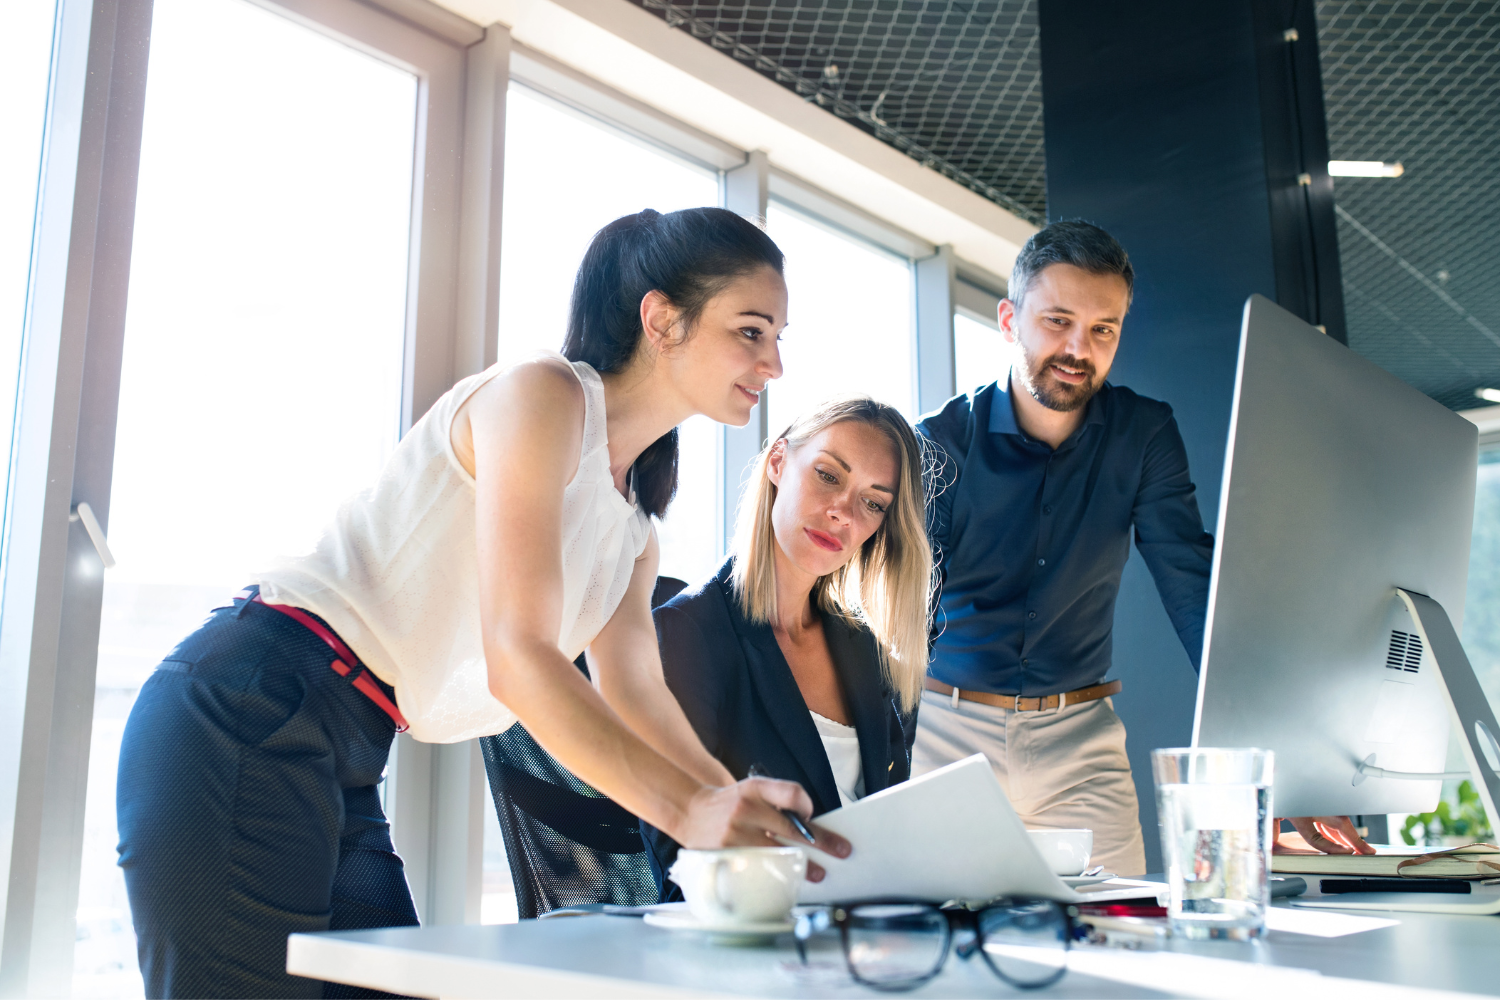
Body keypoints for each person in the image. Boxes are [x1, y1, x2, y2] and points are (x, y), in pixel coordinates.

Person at [115, 207, 849, 999]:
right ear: (661, 319)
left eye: (778, 337)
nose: (773, 362)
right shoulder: (543, 395)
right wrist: (695, 813)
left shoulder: (634, 531)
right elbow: (519, 659)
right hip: (251, 702)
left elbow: (638, 696)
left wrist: (738, 817)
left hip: (352, 745)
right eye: (751, 330)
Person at [914, 219, 1372, 877]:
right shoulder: (938, 440)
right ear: (1010, 319)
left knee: (1125, 947)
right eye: (1058, 321)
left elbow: (1192, 586)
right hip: (945, 733)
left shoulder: (1145, 432)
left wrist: (1283, 756)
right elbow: (909, 607)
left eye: (1104, 330)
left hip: (1080, 739)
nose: (1080, 348)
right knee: (935, 938)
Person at [643, 396, 933, 890]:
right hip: (761, 932)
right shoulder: (687, 634)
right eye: (828, 475)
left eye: (872, 502)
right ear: (778, 462)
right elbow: (680, 863)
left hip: (869, 928)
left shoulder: (865, 651)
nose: (843, 512)